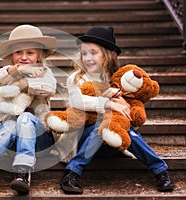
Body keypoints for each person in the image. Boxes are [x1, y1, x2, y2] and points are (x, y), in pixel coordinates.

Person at [59, 26, 175, 194]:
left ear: (107, 55)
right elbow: (77, 101)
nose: (88, 58)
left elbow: (131, 113)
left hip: (113, 142)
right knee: (102, 123)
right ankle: (72, 174)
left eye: (93, 52)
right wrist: (109, 103)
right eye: (84, 54)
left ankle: (160, 171)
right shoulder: (76, 79)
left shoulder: (120, 80)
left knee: (122, 126)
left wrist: (124, 106)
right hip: (84, 140)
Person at [0, 24, 57, 195]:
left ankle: (23, 171)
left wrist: (24, 83)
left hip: (40, 139)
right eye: (18, 52)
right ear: (11, 55)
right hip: (9, 138)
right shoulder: (7, 73)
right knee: (9, 125)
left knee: (25, 118)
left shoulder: (45, 72)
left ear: (39, 55)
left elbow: (49, 88)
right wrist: (14, 71)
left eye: (30, 53)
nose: (24, 57)